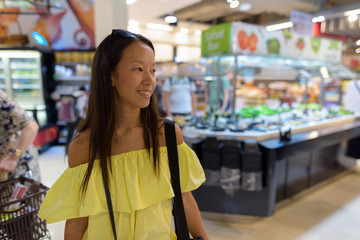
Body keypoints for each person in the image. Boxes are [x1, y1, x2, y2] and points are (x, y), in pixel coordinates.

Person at [38, 29, 209, 240]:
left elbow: (185, 199)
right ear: (111, 76)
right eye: (139, 69)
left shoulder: (166, 135)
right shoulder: (85, 146)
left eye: (153, 70)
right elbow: (77, 222)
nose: (150, 80)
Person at [0, 90, 41, 182]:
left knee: (21, 194)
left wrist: (12, 158)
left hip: (16, 164)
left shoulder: (2, 99)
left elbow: (31, 127)